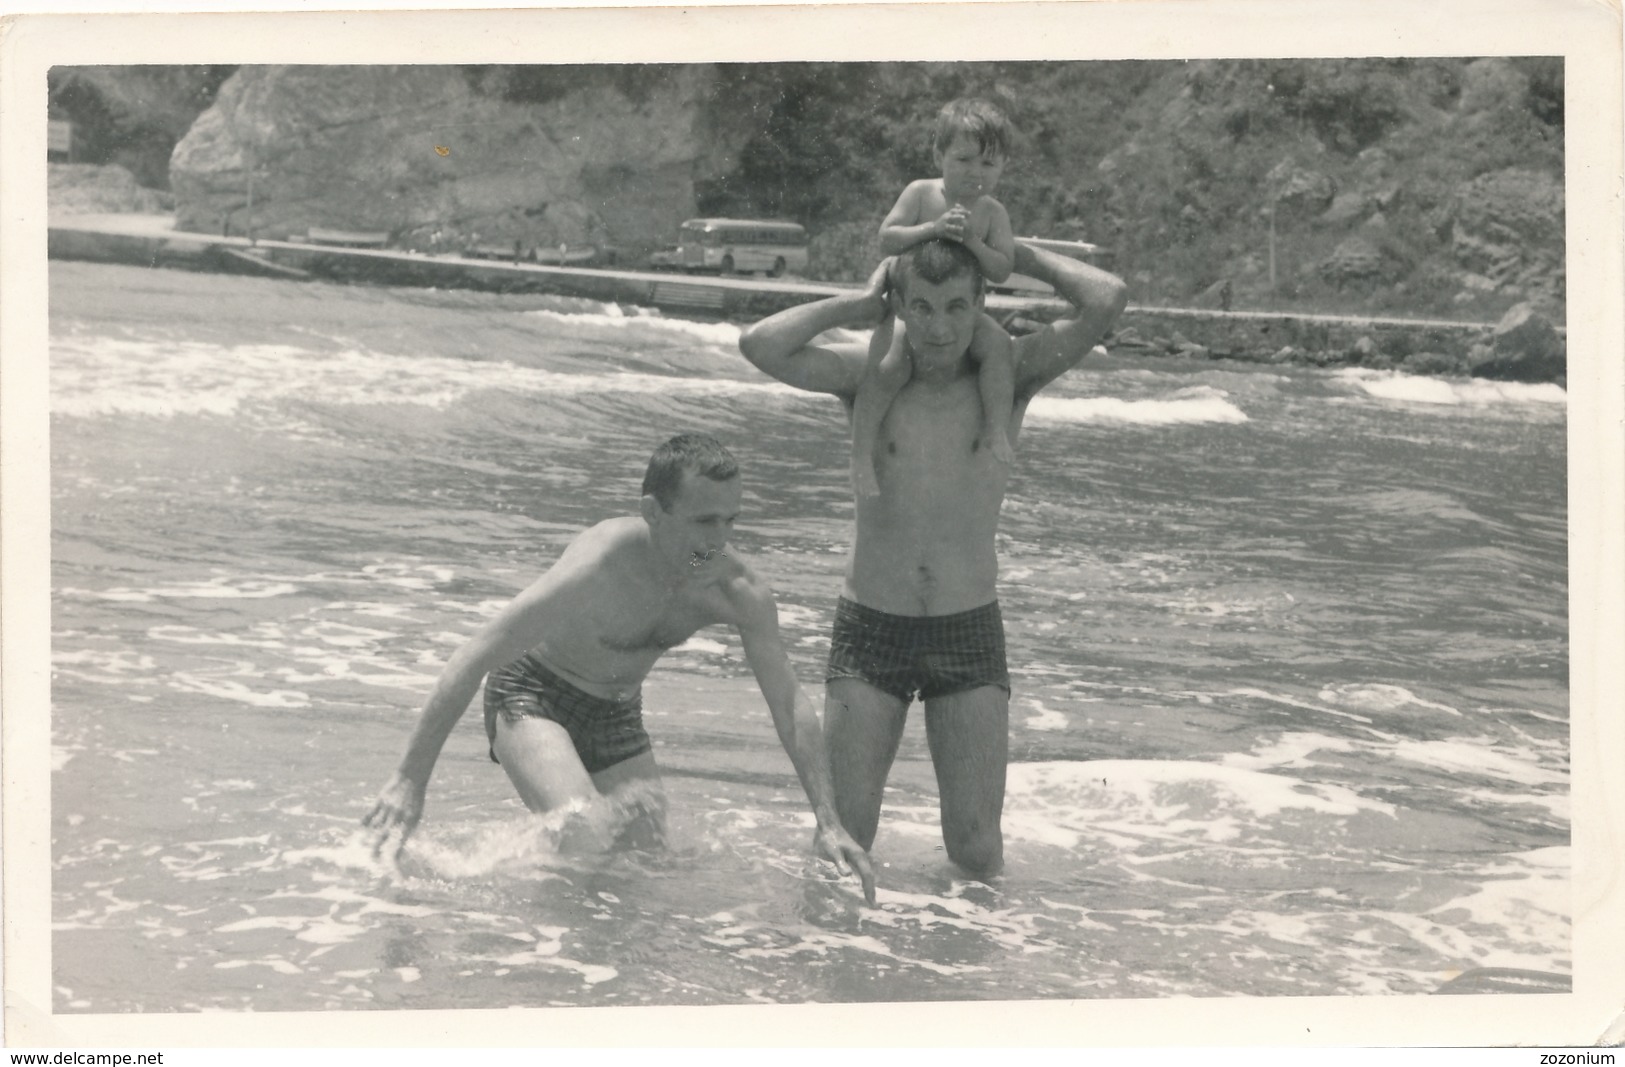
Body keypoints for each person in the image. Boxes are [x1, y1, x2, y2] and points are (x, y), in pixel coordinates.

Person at [737, 239, 1126, 878]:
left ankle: (961, 965)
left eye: (954, 306)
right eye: (920, 307)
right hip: (871, 629)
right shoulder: (869, 378)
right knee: (843, 840)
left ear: (980, 304)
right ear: (901, 307)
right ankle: (834, 965)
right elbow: (760, 344)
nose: (938, 328)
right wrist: (859, 304)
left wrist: (1010, 253)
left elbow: (1106, 298)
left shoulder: (1012, 377)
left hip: (967, 629)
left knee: (975, 849)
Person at [363, 433, 875, 904]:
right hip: (534, 694)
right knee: (585, 830)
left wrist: (828, 821)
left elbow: (789, 705)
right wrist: (410, 779)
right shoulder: (600, 562)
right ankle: (526, 950)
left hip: (617, 717)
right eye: (703, 521)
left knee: (639, 871)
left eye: (730, 521)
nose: (718, 539)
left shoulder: (735, 590)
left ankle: (581, 959)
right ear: (653, 511)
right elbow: (475, 654)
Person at [850, 98, 1019, 499]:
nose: (975, 173)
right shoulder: (922, 193)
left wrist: (974, 242)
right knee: (888, 368)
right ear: (937, 155)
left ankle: (996, 427)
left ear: (1003, 168)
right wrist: (933, 227)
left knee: (999, 346)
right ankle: (859, 457)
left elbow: (1001, 269)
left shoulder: (993, 213)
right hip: (912, 309)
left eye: (988, 164)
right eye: (963, 160)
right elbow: (887, 239)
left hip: (963, 314)